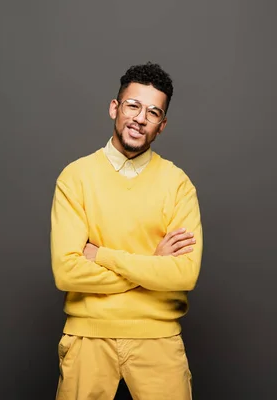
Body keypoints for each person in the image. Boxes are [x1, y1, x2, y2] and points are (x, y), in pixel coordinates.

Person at [50, 62, 203, 400]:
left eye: (152, 112)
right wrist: (152, 263)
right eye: (133, 105)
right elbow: (66, 272)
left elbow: (184, 274)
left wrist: (102, 255)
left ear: (161, 126)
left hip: (158, 339)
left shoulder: (178, 185)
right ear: (114, 108)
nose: (140, 118)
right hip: (87, 338)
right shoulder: (75, 178)